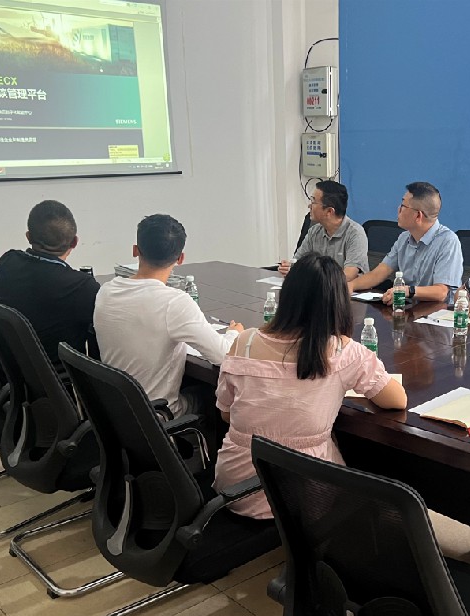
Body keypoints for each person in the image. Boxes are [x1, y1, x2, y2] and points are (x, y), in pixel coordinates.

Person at [215, 252, 408, 519]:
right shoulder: (344, 352)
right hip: (304, 498)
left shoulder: (243, 342)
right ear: (338, 304)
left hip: (234, 489)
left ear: (287, 296)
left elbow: (226, 414)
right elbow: (397, 400)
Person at [93, 213, 243, 417]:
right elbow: (223, 356)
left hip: (116, 411)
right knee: (212, 395)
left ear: (135, 250)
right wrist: (234, 334)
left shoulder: (106, 291)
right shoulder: (174, 303)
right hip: (157, 414)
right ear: (180, 258)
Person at [0, 199, 99, 365]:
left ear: (28, 237)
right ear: (75, 242)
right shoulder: (82, 287)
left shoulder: (7, 261)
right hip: (56, 376)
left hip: (3, 368)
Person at [348, 181, 463, 304]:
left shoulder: (448, 241)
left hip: (439, 312)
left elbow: (441, 292)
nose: (398, 209)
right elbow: (378, 274)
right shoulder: (404, 238)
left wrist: (407, 291)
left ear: (418, 216)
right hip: (410, 309)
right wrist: (350, 285)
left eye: (403, 206)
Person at [278, 180, 368, 281]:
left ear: (329, 211)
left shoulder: (355, 234)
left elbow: (348, 275)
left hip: (346, 289)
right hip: (319, 287)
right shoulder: (314, 231)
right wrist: (290, 268)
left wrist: (312, 277)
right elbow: (298, 262)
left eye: (313, 202)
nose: (309, 206)